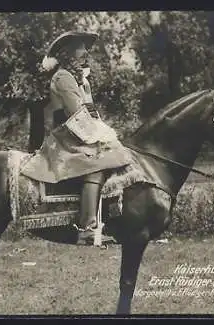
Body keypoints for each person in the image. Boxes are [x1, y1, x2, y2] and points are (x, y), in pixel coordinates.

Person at [22, 31, 132, 245]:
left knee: (116, 153)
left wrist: (89, 97)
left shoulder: (76, 79)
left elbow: (89, 113)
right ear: (69, 53)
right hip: (67, 137)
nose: (86, 53)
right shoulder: (63, 77)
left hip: (79, 133)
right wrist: (99, 133)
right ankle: (87, 228)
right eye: (82, 48)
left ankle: (116, 219)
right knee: (98, 163)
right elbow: (77, 115)